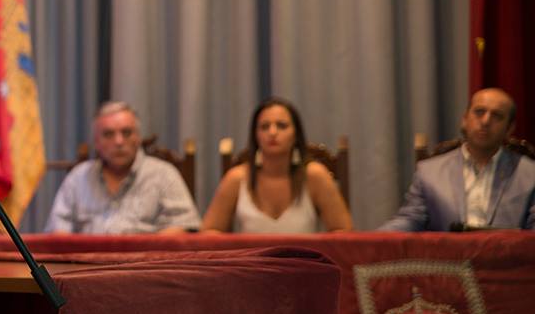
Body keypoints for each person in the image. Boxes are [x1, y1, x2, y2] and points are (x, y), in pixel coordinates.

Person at [380, 88, 535, 231]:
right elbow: (409, 221)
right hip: (446, 260)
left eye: (497, 116)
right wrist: (366, 243)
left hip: (507, 259)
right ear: (465, 120)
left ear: (509, 129)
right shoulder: (429, 172)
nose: (486, 121)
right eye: (479, 112)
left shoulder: (530, 175)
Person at [44, 101, 200, 233]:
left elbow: (184, 228)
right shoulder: (78, 177)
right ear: (96, 143)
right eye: (108, 134)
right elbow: (57, 232)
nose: (118, 142)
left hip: (145, 266)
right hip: (85, 267)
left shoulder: (164, 174)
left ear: (138, 138)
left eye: (126, 133)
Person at [202, 98, 353, 233]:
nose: (272, 132)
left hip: (304, 264)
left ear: (296, 135)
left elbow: (342, 232)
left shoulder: (315, 175)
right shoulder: (236, 178)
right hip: (250, 264)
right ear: (255, 136)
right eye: (264, 127)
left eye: (281, 126)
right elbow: (210, 233)